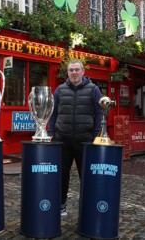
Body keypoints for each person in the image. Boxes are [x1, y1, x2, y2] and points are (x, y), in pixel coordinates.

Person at [48, 60, 102, 216]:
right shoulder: (60, 89)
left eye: (77, 70)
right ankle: (61, 205)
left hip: (84, 140)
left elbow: (99, 113)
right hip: (62, 139)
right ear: (67, 72)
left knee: (85, 176)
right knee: (61, 175)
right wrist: (51, 132)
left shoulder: (93, 89)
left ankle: (87, 206)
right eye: (71, 70)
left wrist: (95, 134)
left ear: (83, 71)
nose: (74, 72)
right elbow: (54, 112)